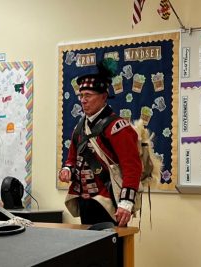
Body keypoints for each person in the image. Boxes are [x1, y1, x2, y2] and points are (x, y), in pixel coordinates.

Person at [58, 59, 142, 227]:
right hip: (85, 200)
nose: (83, 100)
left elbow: (132, 166)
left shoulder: (117, 127)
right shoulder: (79, 127)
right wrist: (67, 169)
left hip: (109, 202)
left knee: (111, 251)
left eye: (88, 95)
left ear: (103, 97)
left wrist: (126, 202)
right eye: (81, 96)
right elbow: (72, 158)